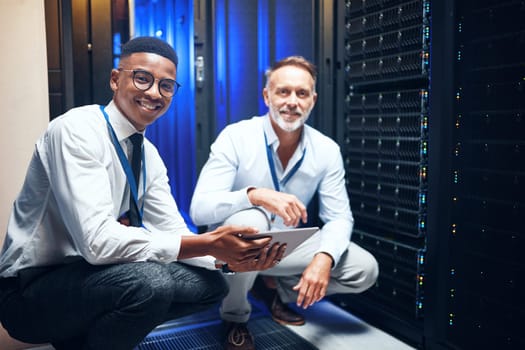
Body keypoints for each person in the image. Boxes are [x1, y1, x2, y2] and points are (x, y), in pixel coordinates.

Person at [0, 37, 283, 350]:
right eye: (142, 78)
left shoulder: (148, 154)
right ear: (115, 78)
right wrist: (209, 242)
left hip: (91, 278)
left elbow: (173, 231)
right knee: (151, 283)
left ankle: (85, 341)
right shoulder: (75, 130)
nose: (154, 93)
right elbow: (97, 243)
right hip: (29, 289)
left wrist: (229, 261)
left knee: (211, 286)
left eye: (166, 85)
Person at [190, 56, 379, 350]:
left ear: (312, 100)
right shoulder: (236, 137)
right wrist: (254, 195)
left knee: (364, 269)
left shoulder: (327, 150)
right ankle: (235, 316)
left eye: (301, 94)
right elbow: (199, 208)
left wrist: (324, 258)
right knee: (252, 220)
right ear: (267, 96)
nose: (292, 101)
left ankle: (276, 288)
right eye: (283, 92)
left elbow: (340, 218)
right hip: (235, 246)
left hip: (285, 248)